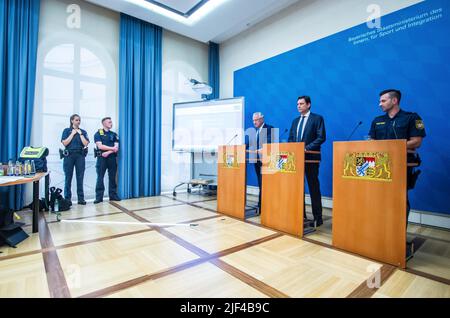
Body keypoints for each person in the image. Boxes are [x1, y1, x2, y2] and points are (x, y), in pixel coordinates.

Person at [368, 89, 426, 222]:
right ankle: (380, 229)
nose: (380, 104)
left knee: (399, 200)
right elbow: (371, 141)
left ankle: (398, 236)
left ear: (394, 101)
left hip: (401, 164)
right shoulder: (377, 120)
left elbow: (417, 141)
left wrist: (393, 148)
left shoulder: (412, 117)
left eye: (383, 101)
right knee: (378, 198)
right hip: (378, 165)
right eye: (379, 101)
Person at [288, 96, 326, 227]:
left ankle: (318, 217)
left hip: (311, 158)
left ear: (308, 105)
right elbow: (291, 138)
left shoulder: (317, 118)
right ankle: (301, 215)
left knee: (313, 187)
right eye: (297, 104)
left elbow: (321, 137)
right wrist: (295, 149)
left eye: (301, 103)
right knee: (298, 188)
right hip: (297, 159)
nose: (298, 106)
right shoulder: (295, 121)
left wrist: (305, 149)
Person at [61, 114, 89, 205]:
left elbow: (85, 143)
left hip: (80, 156)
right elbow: (65, 143)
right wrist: (72, 134)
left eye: (79, 120)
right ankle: (67, 200)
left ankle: (81, 199)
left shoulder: (83, 132)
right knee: (68, 178)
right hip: (69, 155)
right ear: (72, 121)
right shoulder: (66, 130)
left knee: (80, 178)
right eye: (77, 120)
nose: (78, 122)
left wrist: (80, 134)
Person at [94, 117, 121, 204]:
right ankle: (99, 197)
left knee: (112, 178)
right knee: (100, 178)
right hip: (101, 159)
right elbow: (100, 146)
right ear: (104, 123)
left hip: (112, 158)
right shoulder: (98, 134)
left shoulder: (114, 134)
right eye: (109, 122)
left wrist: (108, 152)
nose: (111, 123)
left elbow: (116, 148)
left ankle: (113, 196)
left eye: (111, 122)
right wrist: (112, 149)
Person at [250, 112, 273, 213]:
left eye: (256, 120)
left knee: (265, 183)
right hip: (257, 160)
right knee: (260, 182)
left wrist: (262, 148)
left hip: (266, 161)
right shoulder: (256, 131)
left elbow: (269, 142)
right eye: (253, 120)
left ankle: (265, 204)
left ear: (262, 119)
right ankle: (261, 204)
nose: (254, 122)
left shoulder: (269, 128)